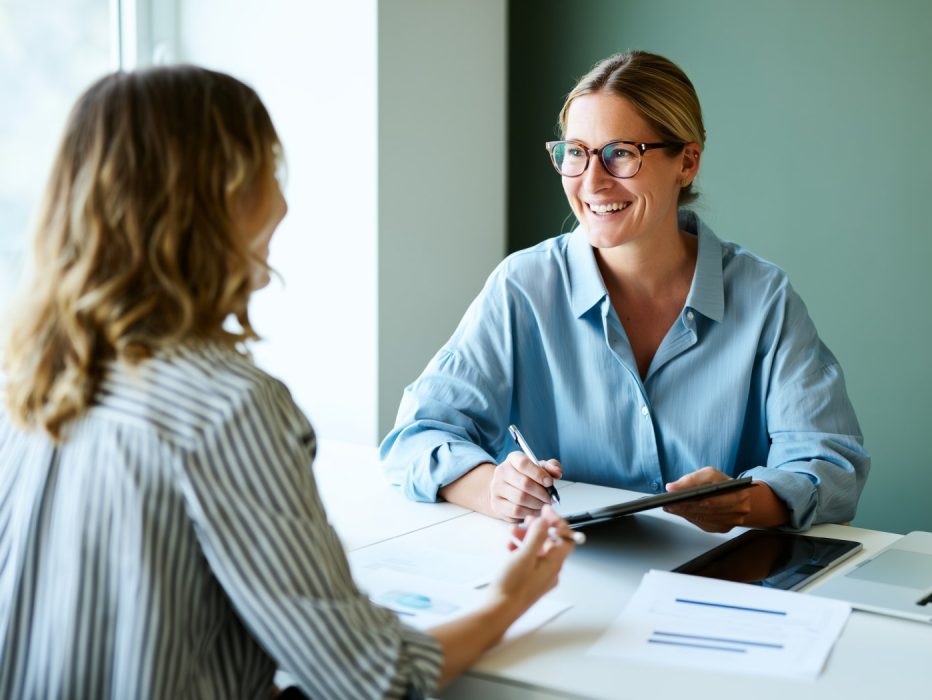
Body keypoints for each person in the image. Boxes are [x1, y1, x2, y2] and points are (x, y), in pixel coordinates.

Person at [0, 65, 575, 700]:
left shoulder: (34, 379)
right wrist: (511, 598)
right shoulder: (229, 407)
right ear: (211, 202)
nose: (283, 203)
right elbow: (375, 677)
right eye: (268, 173)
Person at [381, 50, 870, 533]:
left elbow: (829, 464)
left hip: (722, 582)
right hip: (561, 578)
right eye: (575, 152)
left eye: (620, 153)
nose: (591, 182)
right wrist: (494, 488)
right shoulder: (523, 287)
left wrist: (743, 503)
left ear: (688, 161)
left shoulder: (763, 298)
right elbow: (416, 437)